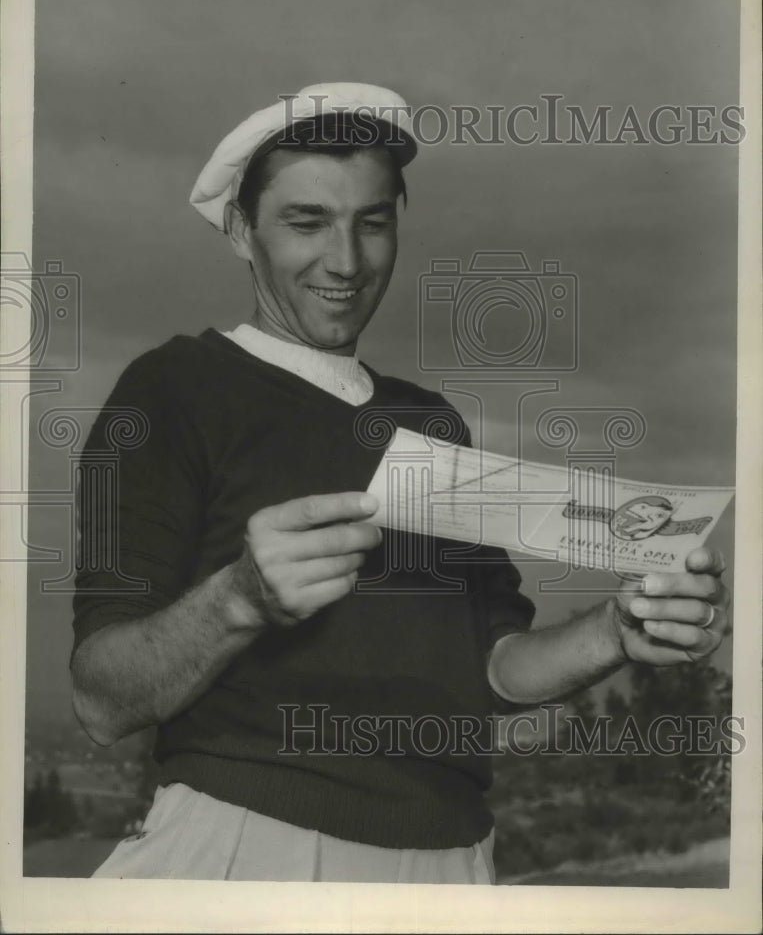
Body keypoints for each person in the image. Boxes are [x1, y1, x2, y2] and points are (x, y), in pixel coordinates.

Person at [70, 82, 730, 883]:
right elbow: (102, 702)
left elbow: (493, 671)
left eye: (372, 223)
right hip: (252, 846)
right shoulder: (171, 387)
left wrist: (615, 632)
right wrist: (238, 598)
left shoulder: (432, 422)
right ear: (243, 231)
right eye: (306, 221)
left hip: (454, 860)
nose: (345, 262)